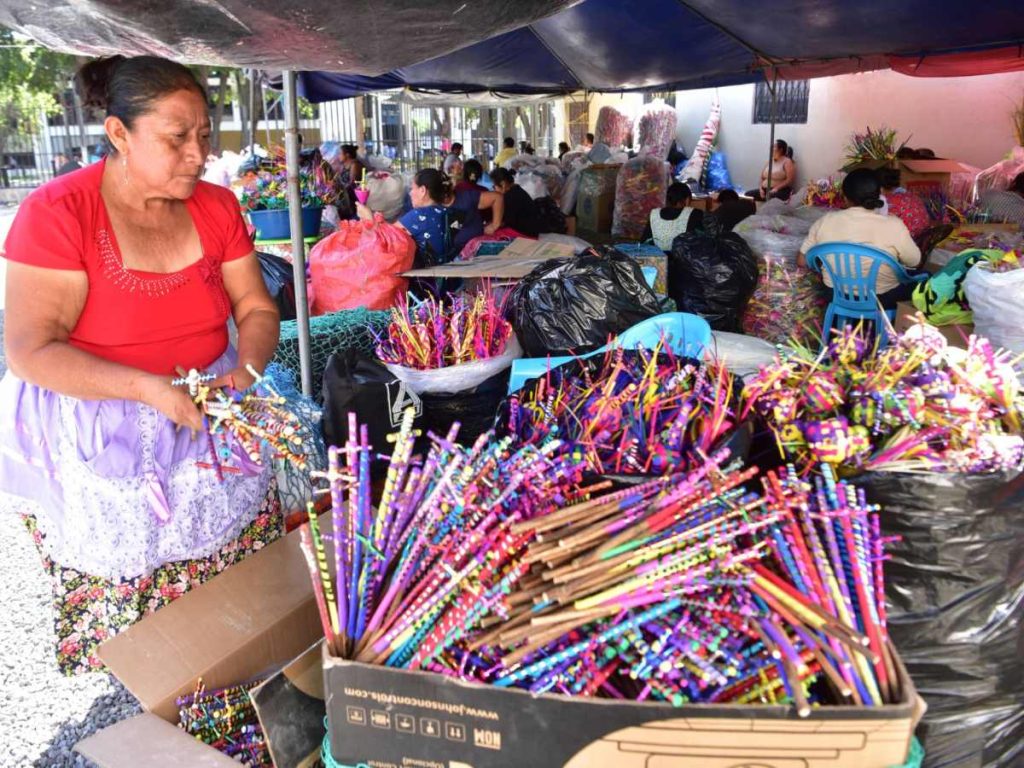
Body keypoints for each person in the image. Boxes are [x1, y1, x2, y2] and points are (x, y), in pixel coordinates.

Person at [0, 55, 286, 675]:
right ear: (118, 134)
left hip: (210, 409)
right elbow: (30, 351)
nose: (198, 154)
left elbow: (256, 308)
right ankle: (153, 703)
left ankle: (232, 686)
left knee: (230, 590)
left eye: (204, 136)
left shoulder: (215, 207)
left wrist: (248, 370)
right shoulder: (57, 215)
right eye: (177, 138)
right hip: (103, 430)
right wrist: (144, 389)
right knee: (142, 621)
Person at [798, 168, 922, 307]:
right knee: (925, 277)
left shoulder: (825, 221)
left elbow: (802, 261)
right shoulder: (894, 225)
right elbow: (914, 261)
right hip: (881, 299)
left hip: (835, 295)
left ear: (844, 197)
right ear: (880, 194)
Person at [641, 182, 704, 250]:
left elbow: (644, 240)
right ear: (687, 199)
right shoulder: (695, 213)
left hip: (658, 258)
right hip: (682, 259)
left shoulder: (654, 213)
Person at [878, 168, 930, 238]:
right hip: (924, 238)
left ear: (880, 187)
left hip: (909, 240)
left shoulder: (888, 202)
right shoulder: (910, 195)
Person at [490, 168, 540, 237]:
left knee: (492, 233)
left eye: (494, 186)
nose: (494, 189)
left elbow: (506, 222)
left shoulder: (510, 196)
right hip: (530, 231)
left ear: (503, 184)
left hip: (527, 235)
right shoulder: (516, 190)